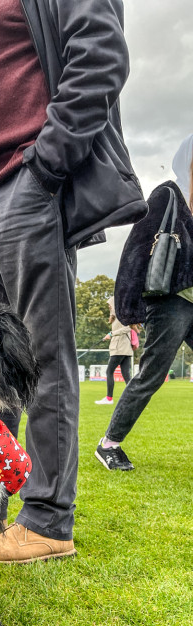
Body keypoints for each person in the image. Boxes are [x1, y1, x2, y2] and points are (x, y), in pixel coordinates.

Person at [0, 0, 146, 563]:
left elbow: (100, 54)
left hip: (23, 185)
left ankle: (48, 520)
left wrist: (45, 166)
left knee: (41, 357)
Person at [95, 137, 193, 471]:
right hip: (171, 302)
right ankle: (109, 443)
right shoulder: (168, 195)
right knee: (152, 374)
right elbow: (136, 248)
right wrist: (128, 308)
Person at [94, 297, 137, 405]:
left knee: (109, 371)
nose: (109, 307)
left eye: (109, 305)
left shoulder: (121, 315)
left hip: (120, 348)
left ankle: (109, 398)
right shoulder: (117, 316)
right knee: (126, 375)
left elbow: (128, 328)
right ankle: (132, 398)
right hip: (124, 348)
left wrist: (111, 334)